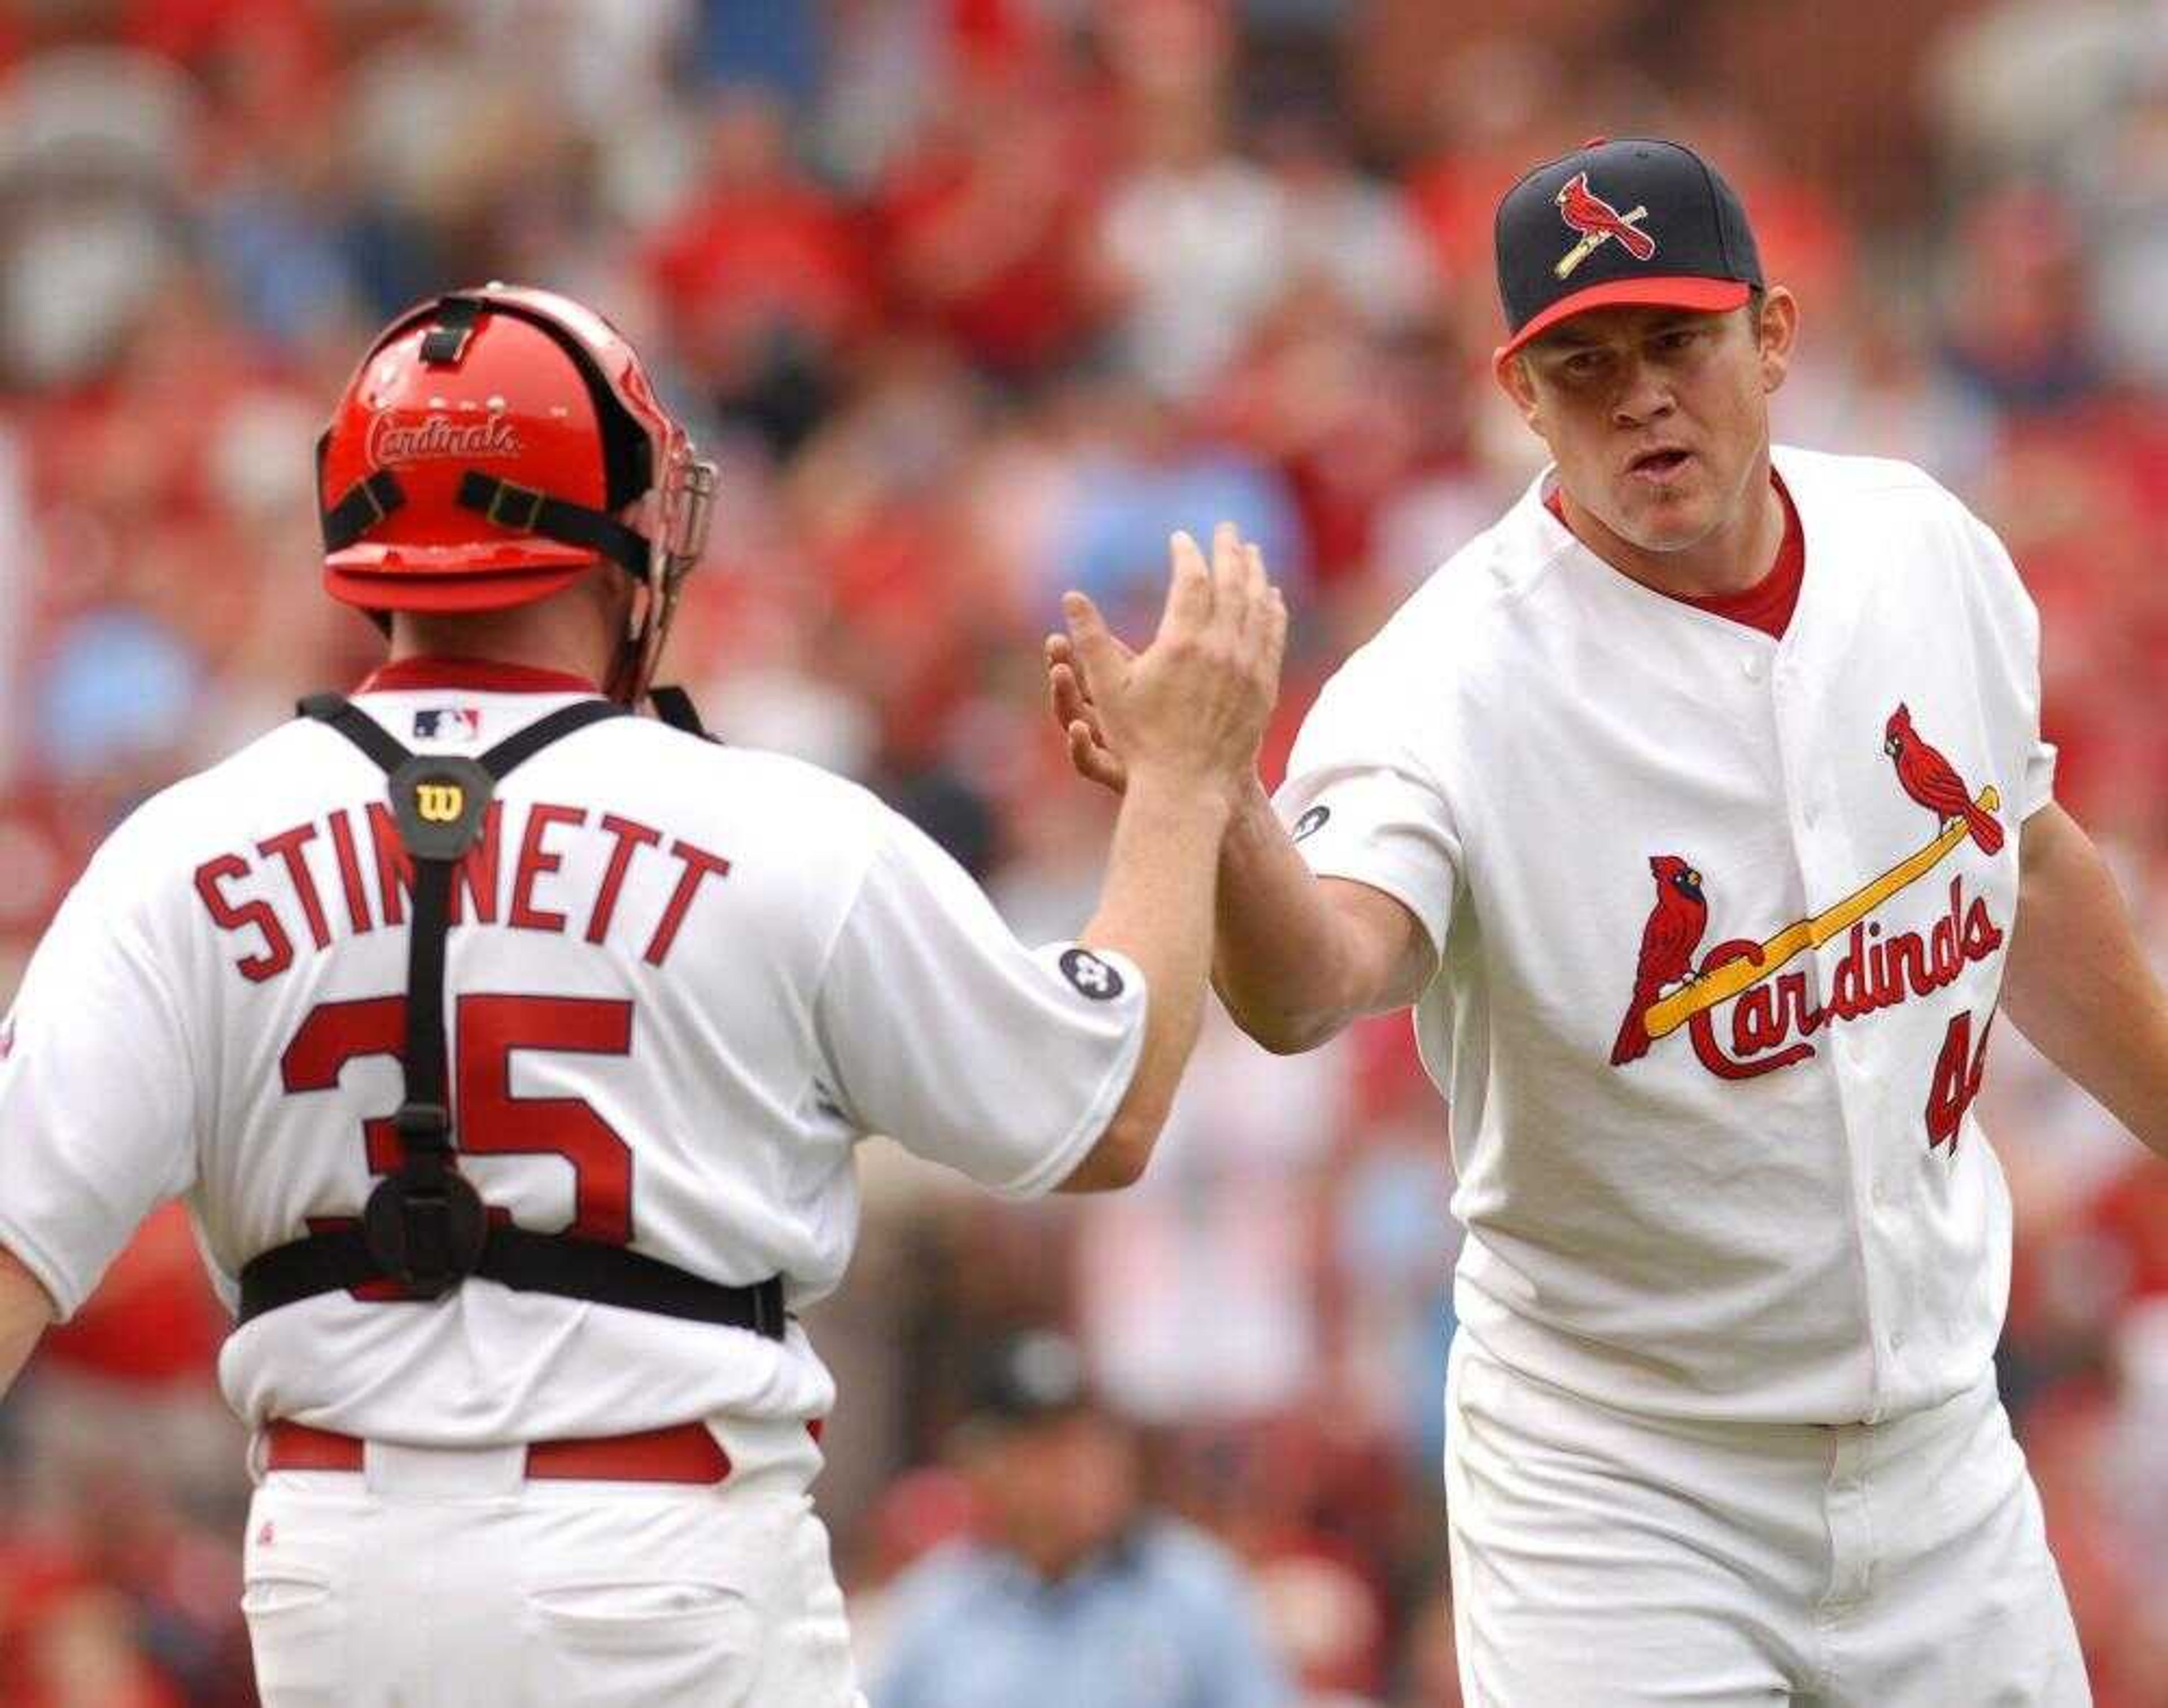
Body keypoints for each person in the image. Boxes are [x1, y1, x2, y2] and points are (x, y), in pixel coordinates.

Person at [0, 283, 1287, 1708]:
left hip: (332, 1566)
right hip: (666, 1552)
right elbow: (1095, 1107)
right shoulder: (779, 829)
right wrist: (1178, 785)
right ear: (621, 546)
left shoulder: (179, 849)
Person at [1048, 137, 2168, 1705]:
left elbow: (2033, 875)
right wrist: (1212, 799)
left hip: (1934, 1446)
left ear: (1772, 337)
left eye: (1675, 343)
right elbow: (1314, 986)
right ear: (1520, 396)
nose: (1638, 396)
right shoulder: (1450, 679)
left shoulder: (1925, 549)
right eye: (1582, 364)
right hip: (1626, 1486)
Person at [867, 1329, 1291, 1708]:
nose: (1080, 1472)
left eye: (1092, 1443)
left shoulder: (1196, 1593)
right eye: (1046, 1450)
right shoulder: (937, 1608)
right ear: (985, 1465)